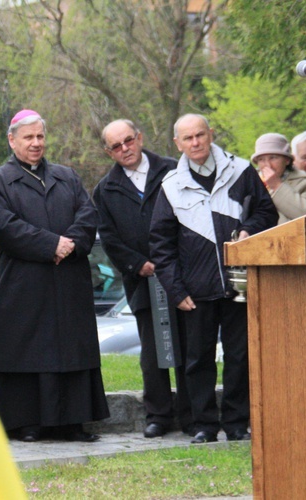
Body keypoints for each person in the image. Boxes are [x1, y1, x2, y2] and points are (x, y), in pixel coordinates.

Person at [0, 109, 110, 443]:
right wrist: (52, 244)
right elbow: (5, 226)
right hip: (24, 283)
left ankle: (73, 421)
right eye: (28, 138)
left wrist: (70, 244)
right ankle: (27, 422)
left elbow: (88, 213)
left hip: (67, 281)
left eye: (40, 136)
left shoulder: (66, 176)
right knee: (29, 350)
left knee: (70, 348)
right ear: (12, 140)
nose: (36, 143)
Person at [149, 114, 278, 444]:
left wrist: (250, 229)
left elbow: (267, 212)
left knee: (239, 357)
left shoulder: (241, 171)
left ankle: (237, 423)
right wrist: (175, 289)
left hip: (239, 284)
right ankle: (203, 425)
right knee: (198, 361)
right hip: (195, 290)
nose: (195, 143)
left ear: (211, 134)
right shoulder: (171, 186)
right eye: (187, 138)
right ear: (177, 144)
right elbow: (161, 245)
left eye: (200, 135)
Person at [92, 119, 192, 438]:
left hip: (182, 276)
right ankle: (159, 416)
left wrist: (171, 261)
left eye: (129, 141)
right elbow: (108, 238)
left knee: (189, 349)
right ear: (109, 152)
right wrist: (138, 264)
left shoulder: (174, 170)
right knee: (152, 354)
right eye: (117, 146)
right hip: (143, 281)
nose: (125, 149)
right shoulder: (105, 190)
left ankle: (193, 415)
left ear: (140, 138)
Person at [251, 132, 306, 225]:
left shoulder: (305, 182)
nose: (268, 165)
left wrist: (277, 186)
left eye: (273, 158)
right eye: (261, 159)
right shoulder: (250, 183)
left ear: (287, 160)